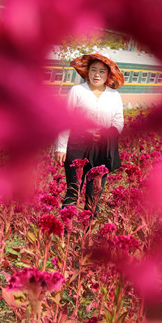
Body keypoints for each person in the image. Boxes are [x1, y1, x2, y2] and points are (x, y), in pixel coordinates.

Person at [55, 52, 124, 214]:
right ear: (87, 72)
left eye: (102, 71)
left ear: (108, 75)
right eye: (93, 70)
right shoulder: (77, 91)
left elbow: (119, 121)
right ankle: (66, 231)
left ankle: (86, 231)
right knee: (73, 189)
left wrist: (108, 134)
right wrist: (61, 148)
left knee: (95, 193)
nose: (97, 74)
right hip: (77, 145)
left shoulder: (114, 95)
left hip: (103, 147)